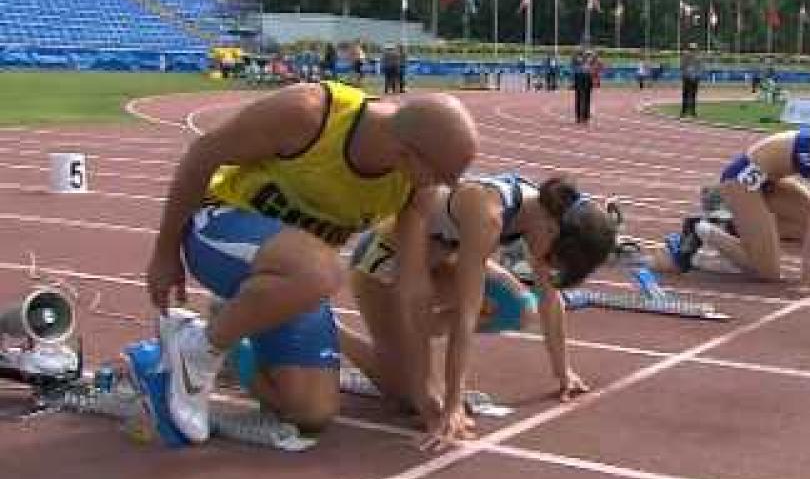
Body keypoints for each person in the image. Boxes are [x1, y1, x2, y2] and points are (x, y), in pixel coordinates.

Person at [135, 81, 479, 446]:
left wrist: (428, 389)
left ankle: (224, 330)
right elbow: (203, 153)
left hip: (295, 274)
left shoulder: (415, 188)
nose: (447, 186)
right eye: (443, 175)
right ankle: (197, 352)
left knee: (310, 412)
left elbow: (412, 287)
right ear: (406, 153)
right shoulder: (310, 114)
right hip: (218, 228)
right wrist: (165, 252)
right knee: (323, 270)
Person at [339, 173, 617, 449]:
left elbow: (550, 297)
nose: (548, 265)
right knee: (408, 397)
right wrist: (452, 406)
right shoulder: (487, 216)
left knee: (518, 307)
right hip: (383, 269)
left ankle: (408, 343)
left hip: (436, 262)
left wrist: (563, 372)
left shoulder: (543, 213)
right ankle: (336, 333)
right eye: (552, 259)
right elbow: (465, 317)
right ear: (552, 230)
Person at [650, 127, 810, 295]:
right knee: (769, 271)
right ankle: (702, 229)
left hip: (771, 181)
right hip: (742, 179)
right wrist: (807, 276)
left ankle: (735, 226)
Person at [680, 43, 702, 118]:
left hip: (692, 78)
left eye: (693, 49)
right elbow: (682, 67)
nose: (693, 51)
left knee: (691, 95)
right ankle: (686, 111)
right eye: (692, 49)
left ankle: (689, 111)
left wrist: (696, 75)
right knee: (688, 95)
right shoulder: (687, 56)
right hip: (688, 78)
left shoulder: (696, 57)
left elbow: (699, 68)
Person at [571, 48, 593, 124]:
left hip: (587, 77)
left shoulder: (590, 55)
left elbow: (594, 62)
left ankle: (585, 116)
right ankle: (579, 116)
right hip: (579, 77)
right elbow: (574, 64)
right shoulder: (576, 57)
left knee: (587, 97)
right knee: (579, 97)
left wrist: (589, 57)